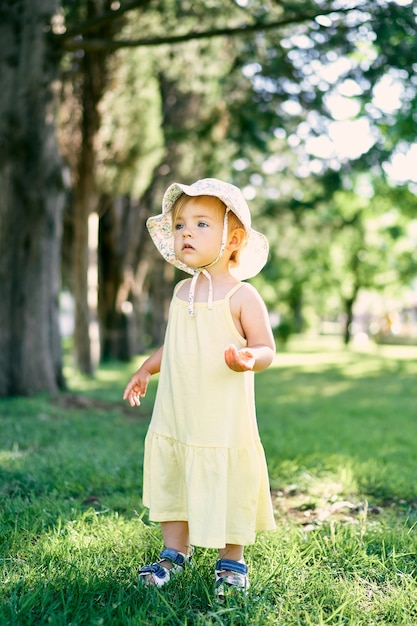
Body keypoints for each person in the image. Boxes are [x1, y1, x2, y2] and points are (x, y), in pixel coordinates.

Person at [123, 178, 276, 597]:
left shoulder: (243, 297)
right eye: (179, 225)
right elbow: (174, 344)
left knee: (228, 479)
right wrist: (145, 370)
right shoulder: (180, 291)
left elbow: (266, 347)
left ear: (234, 239)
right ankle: (174, 552)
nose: (186, 232)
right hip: (179, 412)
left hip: (222, 419)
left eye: (201, 224)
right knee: (175, 475)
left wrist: (251, 357)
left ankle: (232, 559)